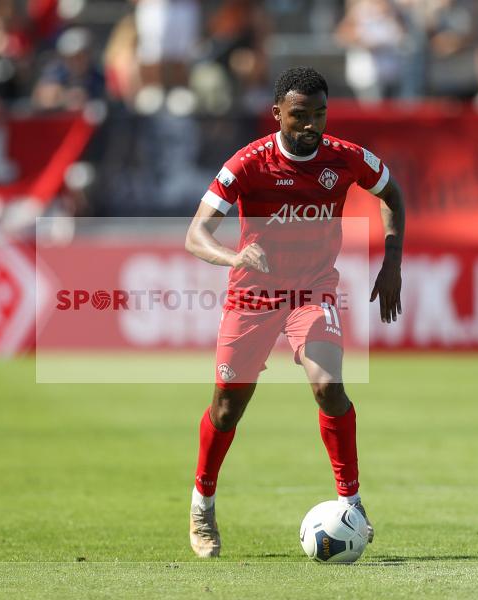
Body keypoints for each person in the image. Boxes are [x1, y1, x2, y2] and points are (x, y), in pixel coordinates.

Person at [184, 66, 405, 558]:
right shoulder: (247, 164)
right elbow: (196, 234)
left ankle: (353, 502)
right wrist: (234, 256)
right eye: (300, 115)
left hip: (313, 290)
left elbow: (391, 193)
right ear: (277, 113)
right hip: (253, 295)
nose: (311, 125)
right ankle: (203, 503)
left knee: (328, 386)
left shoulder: (345, 158)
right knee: (227, 406)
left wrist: (392, 262)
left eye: (320, 114)